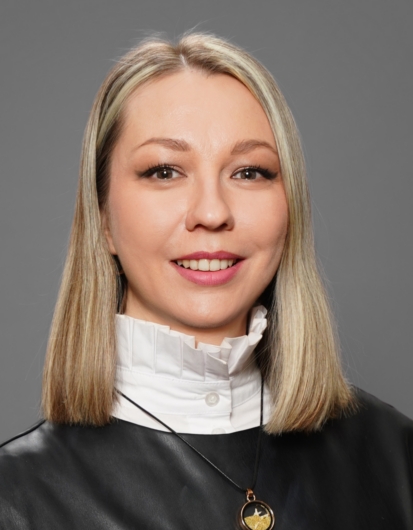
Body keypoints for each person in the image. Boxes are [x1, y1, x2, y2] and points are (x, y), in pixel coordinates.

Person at [0, 32, 412, 530]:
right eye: (164, 171)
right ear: (103, 217)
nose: (212, 212)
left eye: (249, 172)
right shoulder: (15, 499)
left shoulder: (395, 456)